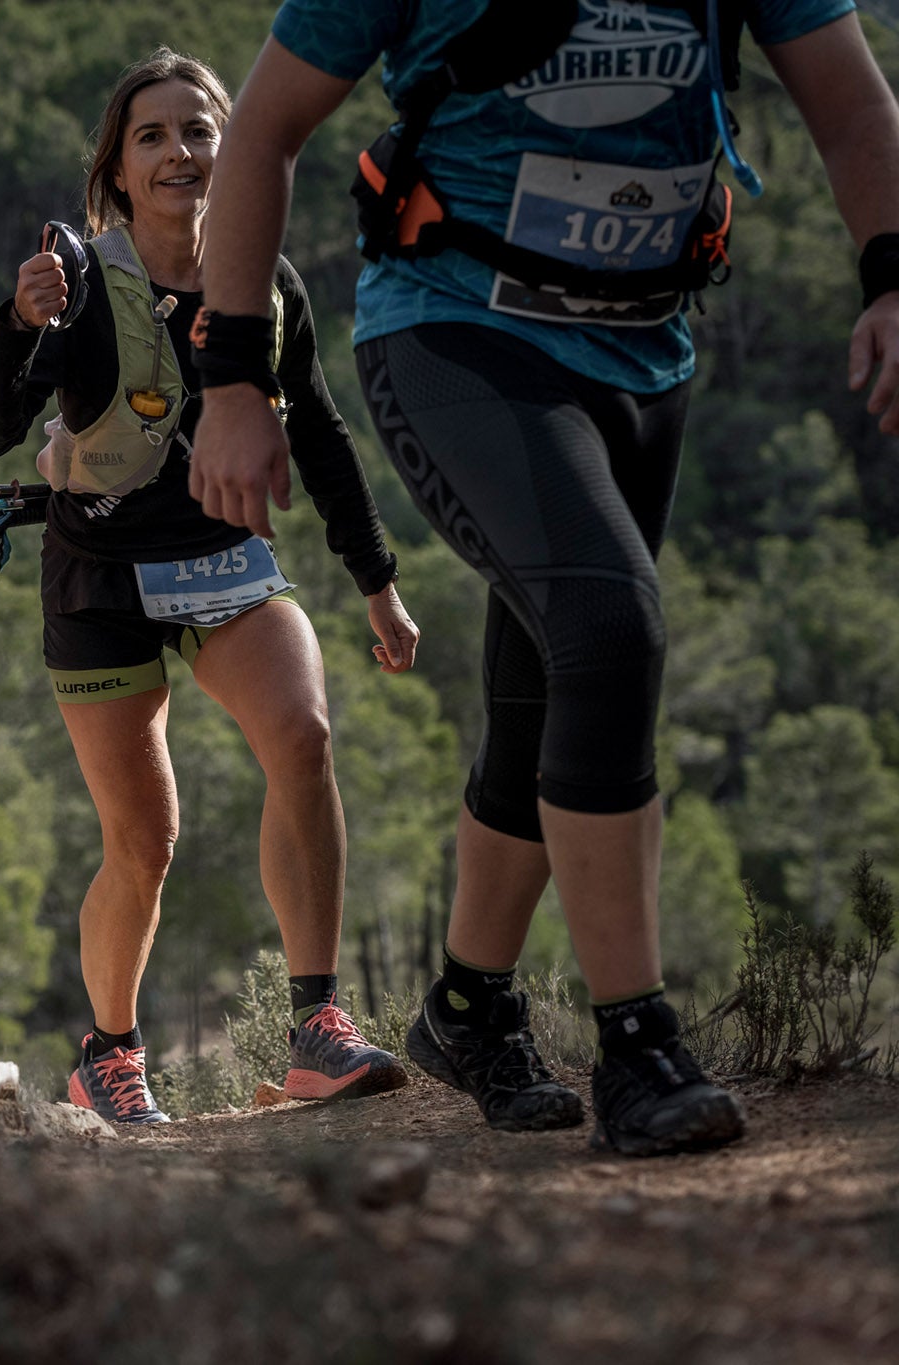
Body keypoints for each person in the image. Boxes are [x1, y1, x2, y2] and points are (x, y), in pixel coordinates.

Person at [191, 0, 899, 1155]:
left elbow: (852, 103)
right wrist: (231, 379)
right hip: (453, 332)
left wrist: (886, 276)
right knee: (608, 628)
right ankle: (637, 1047)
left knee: (544, 680)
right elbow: (262, 131)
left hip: (643, 352)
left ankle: (466, 1006)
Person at [0, 48, 421, 1125]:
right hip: (100, 579)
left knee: (301, 737)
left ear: (232, 148)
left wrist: (374, 581)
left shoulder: (265, 286)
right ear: (116, 170)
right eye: (151, 136)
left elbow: (321, 433)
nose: (179, 152)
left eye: (199, 131)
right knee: (143, 845)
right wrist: (18, 326)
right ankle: (106, 1055)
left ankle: (316, 1027)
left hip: (226, 564)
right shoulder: (74, 281)